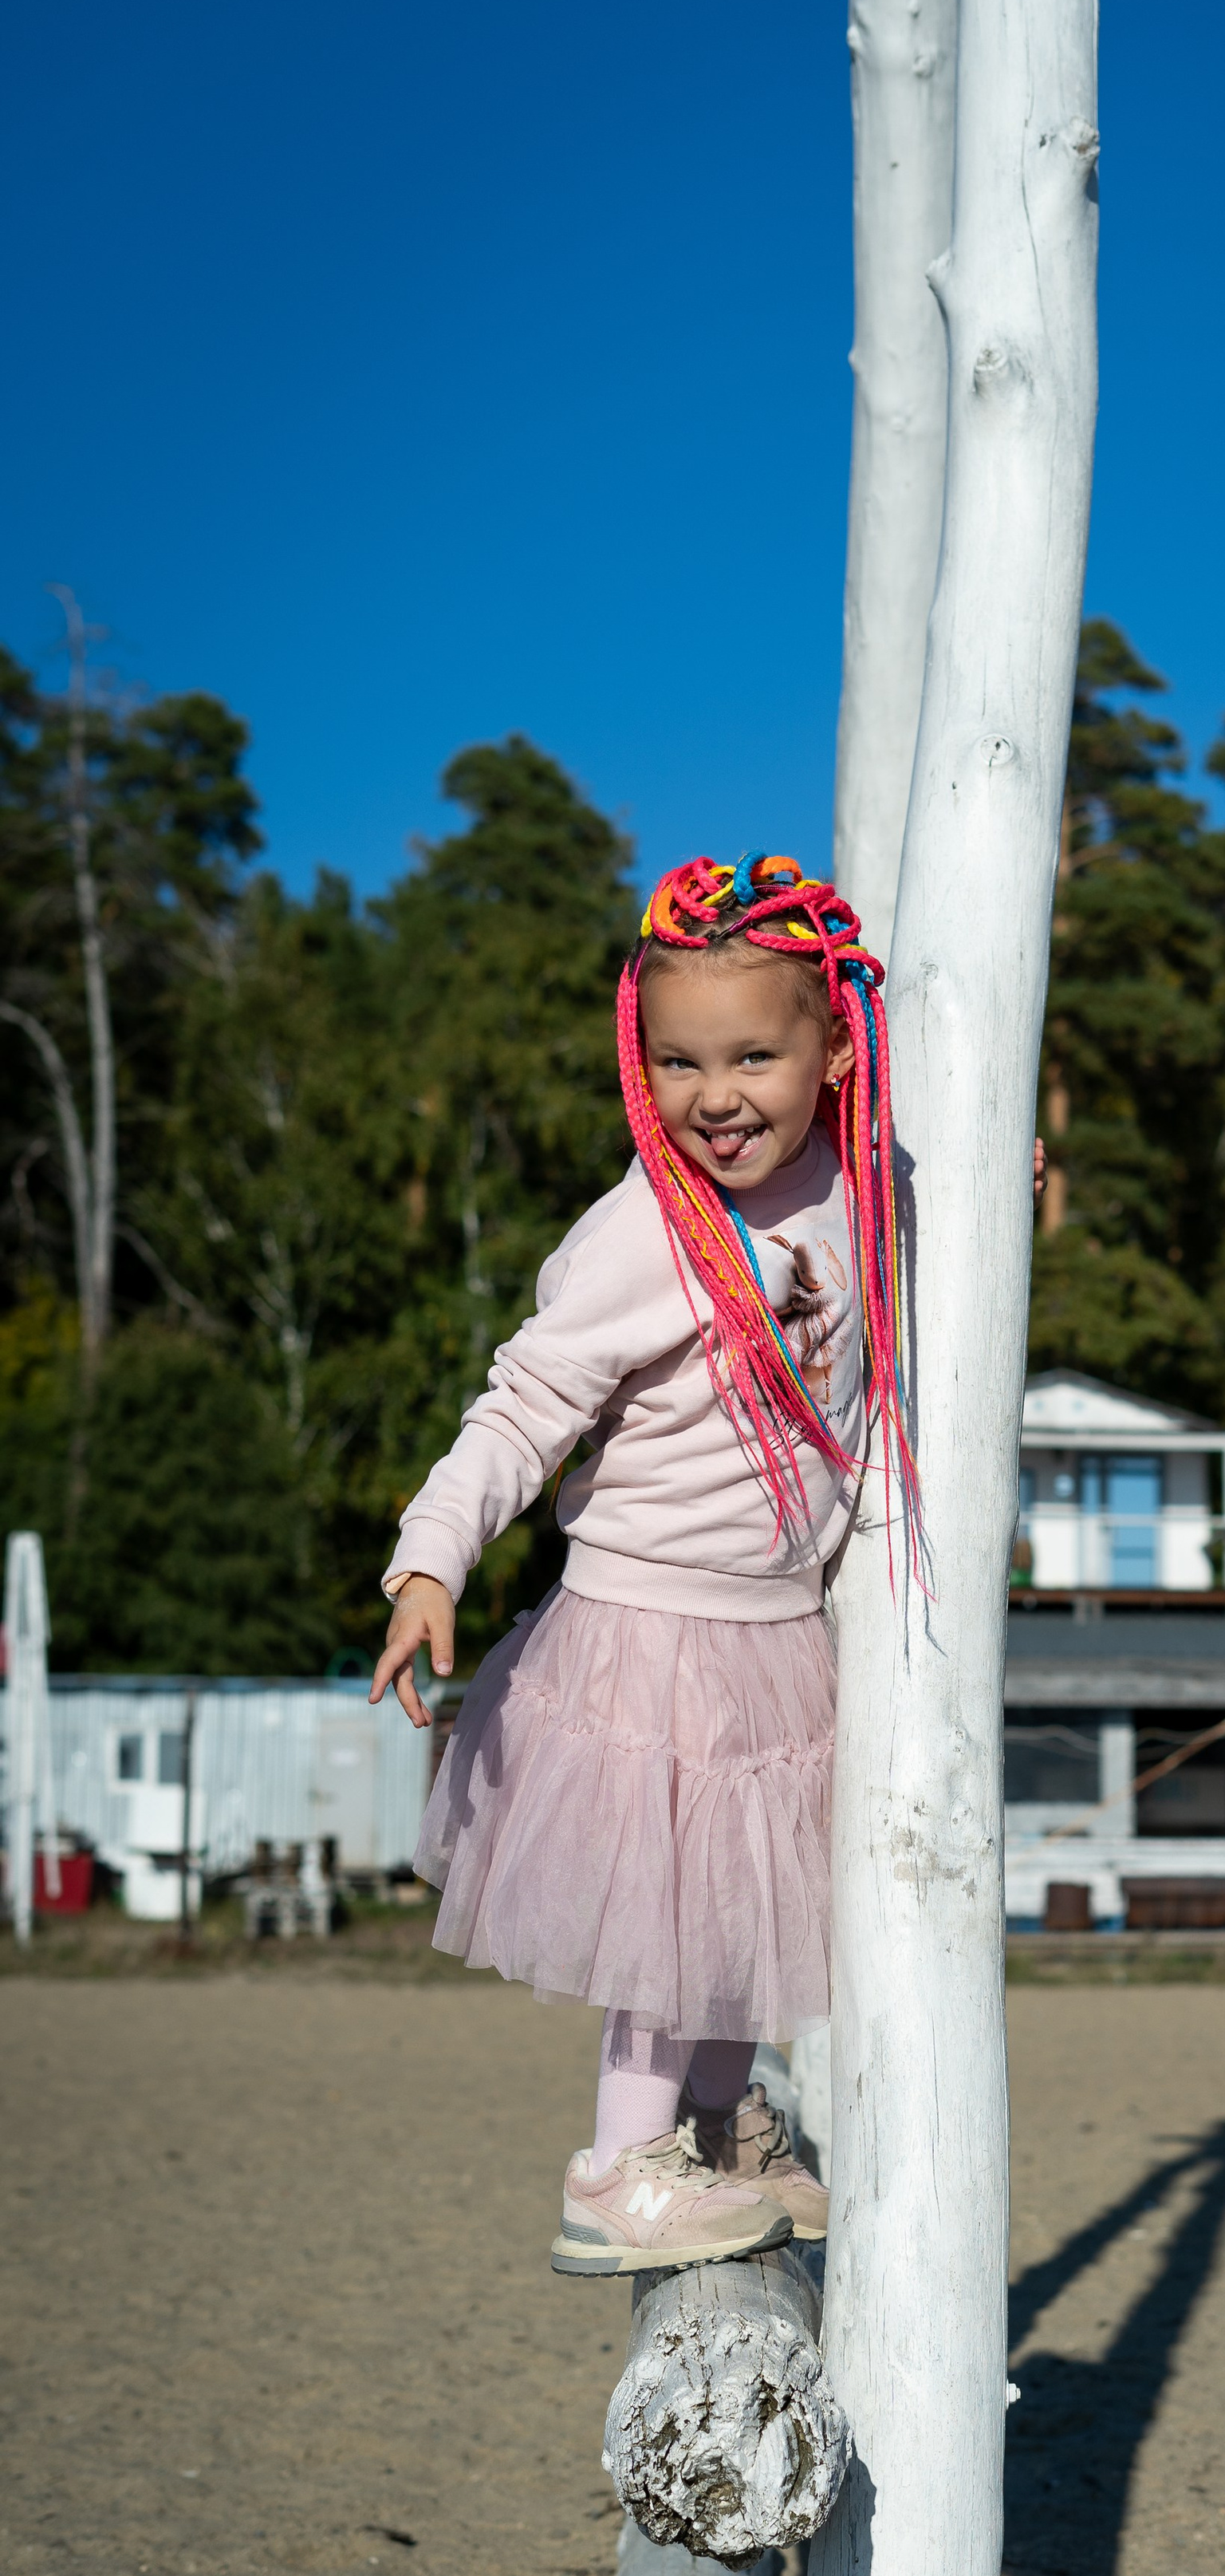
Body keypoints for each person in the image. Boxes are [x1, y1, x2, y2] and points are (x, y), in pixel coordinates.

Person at [368, 853, 913, 2278]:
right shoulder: (644, 1231)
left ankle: (724, 2133)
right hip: (651, 1625)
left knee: (745, 1901)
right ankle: (620, 2167)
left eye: (753, 1055)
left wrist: (1002, 1180)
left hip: (777, 1626)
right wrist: (431, 1558)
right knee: (672, 1917)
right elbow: (525, 1404)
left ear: (834, 1051)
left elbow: (921, 1220)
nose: (714, 1095)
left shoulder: (861, 1178)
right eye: (678, 1060)